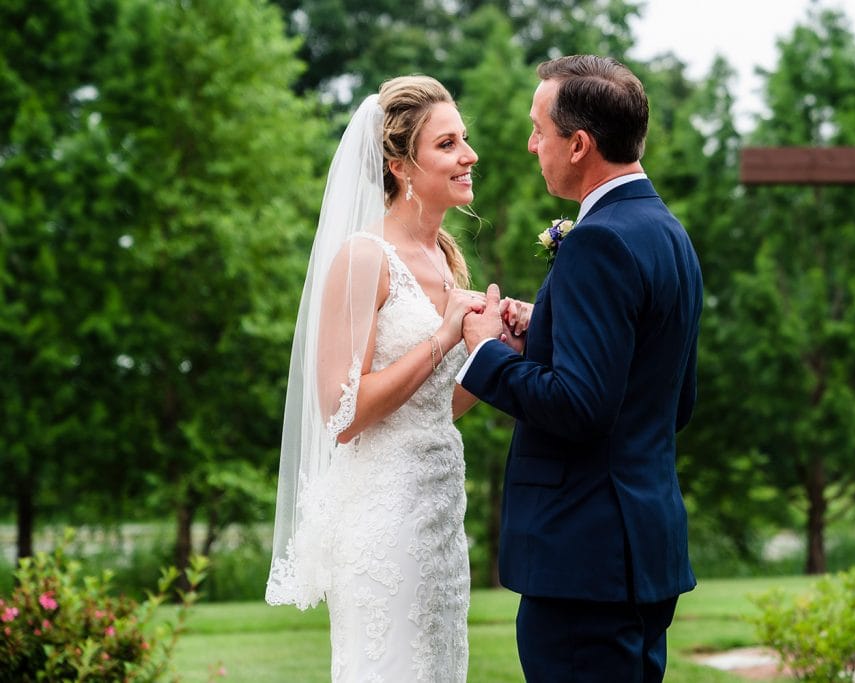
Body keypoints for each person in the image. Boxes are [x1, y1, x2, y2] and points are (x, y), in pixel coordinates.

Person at [459, 55, 704, 682]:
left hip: (582, 559)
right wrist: (545, 336)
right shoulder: (667, 233)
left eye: (539, 129)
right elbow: (670, 400)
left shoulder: (598, 241)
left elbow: (582, 406)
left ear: (579, 144)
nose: (530, 143)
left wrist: (486, 352)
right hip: (641, 549)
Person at [266, 75, 495, 682]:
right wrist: (444, 337)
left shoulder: (447, 258)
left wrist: (495, 349)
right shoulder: (363, 256)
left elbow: (435, 405)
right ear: (400, 164)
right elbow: (344, 414)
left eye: (464, 139)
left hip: (441, 512)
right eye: (447, 144)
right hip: (383, 522)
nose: (469, 155)